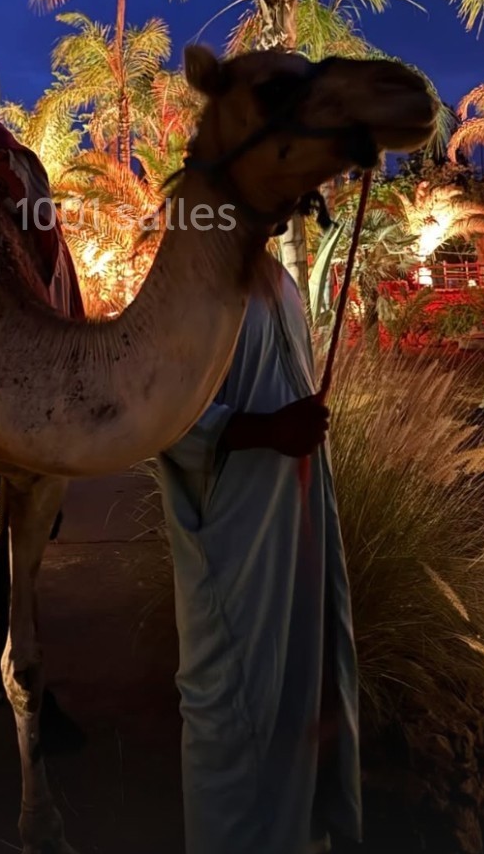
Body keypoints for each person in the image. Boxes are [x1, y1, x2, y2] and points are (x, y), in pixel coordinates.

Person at [158, 257, 362, 854]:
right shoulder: (193, 280)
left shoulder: (282, 282)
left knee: (302, 686)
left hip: (295, 533)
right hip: (232, 546)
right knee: (230, 716)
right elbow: (163, 417)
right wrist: (269, 430)